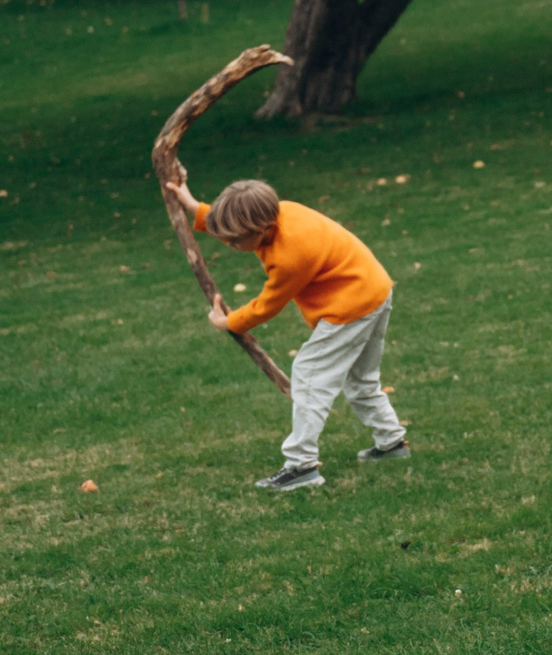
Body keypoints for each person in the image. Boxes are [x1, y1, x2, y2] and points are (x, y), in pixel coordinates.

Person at [163, 174, 408, 489]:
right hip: (373, 292)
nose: (230, 245)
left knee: (309, 376)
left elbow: (268, 305)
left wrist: (229, 322)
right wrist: (195, 207)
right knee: (360, 380)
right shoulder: (280, 212)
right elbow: (236, 223)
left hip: (350, 308)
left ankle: (301, 465)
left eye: (236, 240)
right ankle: (391, 442)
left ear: (262, 230)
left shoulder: (291, 255)